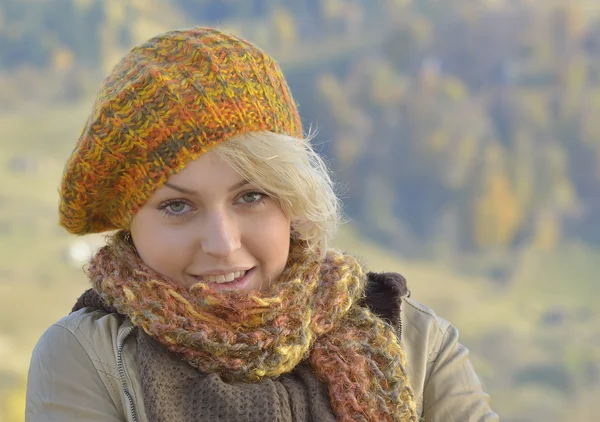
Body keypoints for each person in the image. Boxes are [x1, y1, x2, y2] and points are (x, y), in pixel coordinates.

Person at [25, 27, 498, 422]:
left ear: (292, 200)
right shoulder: (88, 359)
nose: (223, 243)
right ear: (130, 223)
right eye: (176, 207)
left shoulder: (416, 344)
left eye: (251, 196)